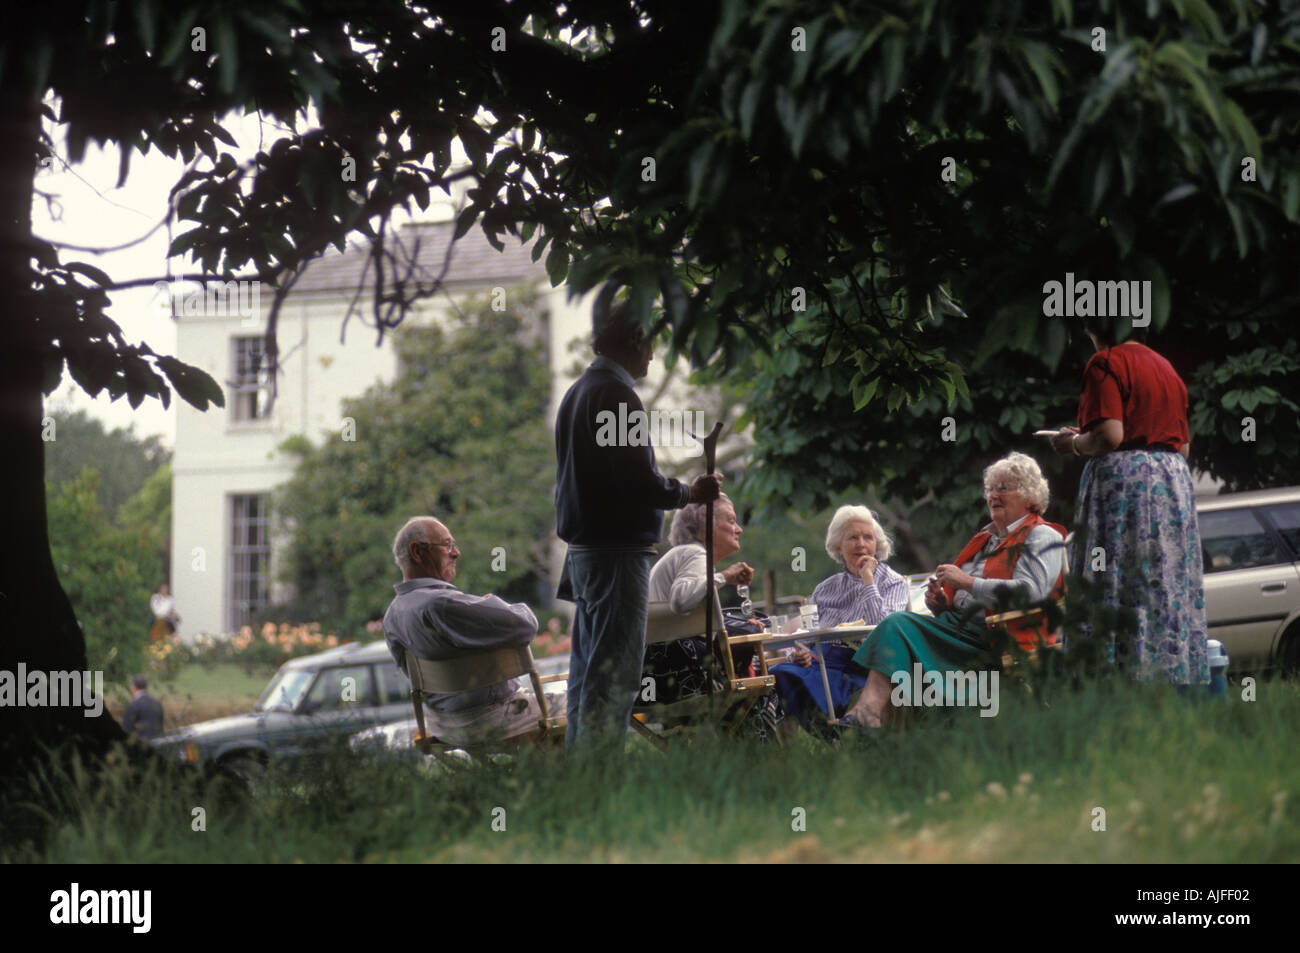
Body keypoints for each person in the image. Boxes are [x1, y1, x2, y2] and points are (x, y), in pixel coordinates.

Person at [555, 296, 721, 751]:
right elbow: (636, 480)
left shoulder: (578, 393)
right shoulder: (615, 395)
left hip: (587, 555)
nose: (653, 355)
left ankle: (583, 772)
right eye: (651, 344)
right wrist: (690, 493)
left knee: (588, 673)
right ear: (634, 338)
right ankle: (601, 780)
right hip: (615, 555)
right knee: (615, 674)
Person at [838, 453, 1066, 730]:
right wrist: (943, 604)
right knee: (897, 627)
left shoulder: (1042, 536)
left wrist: (966, 583)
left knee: (897, 625)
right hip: (958, 630)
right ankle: (873, 720)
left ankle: (870, 715)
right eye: (990, 489)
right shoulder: (987, 539)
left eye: (1003, 488)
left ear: (1030, 495)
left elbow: (1029, 594)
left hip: (998, 637)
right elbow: (969, 599)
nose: (993, 495)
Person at [1050, 324, 1208, 686]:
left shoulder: (1105, 362)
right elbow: (1182, 447)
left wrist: (1074, 444)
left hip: (1125, 485)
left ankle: (1114, 677)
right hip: (1172, 481)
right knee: (1165, 577)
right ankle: (1170, 675)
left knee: (1115, 576)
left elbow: (1110, 435)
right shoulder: (1167, 368)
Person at [383, 516, 559, 747]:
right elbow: (526, 625)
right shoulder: (441, 605)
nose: (456, 553)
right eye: (447, 545)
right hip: (501, 719)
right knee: (601, 701)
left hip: (445, 727)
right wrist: (495, 604)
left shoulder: (392, 617)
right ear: (417, 552)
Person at [642, 495, 783, 739]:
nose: (738, 529)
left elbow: (682, 621)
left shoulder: (682, 556)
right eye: (731, 520)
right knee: (767, 678)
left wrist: (735, 624)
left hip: (656, 676)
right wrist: (724, 576)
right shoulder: (696, 554)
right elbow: (680, 601)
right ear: (706, 525)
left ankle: (733, 754)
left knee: (746, 637)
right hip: (689, 675)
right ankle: (762, 759)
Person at [770, 505, 910, 730]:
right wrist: (796, 653)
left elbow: (884, 627)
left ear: (877, 544)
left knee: (814, 683)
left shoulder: (893, 582)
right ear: (838, 545)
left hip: (862, 665)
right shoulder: (825, 589)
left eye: (868, 538)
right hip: (820, 662)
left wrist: (868, 581)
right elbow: (805, 634)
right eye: (853, 538)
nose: (862, 544)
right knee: (779, 673)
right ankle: (797, 750)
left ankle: (837, 731)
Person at [121, 674, 165, 740]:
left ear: (133, 687)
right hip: (158, 744)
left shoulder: (133, 705)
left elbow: (126, 730)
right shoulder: (157, 703)